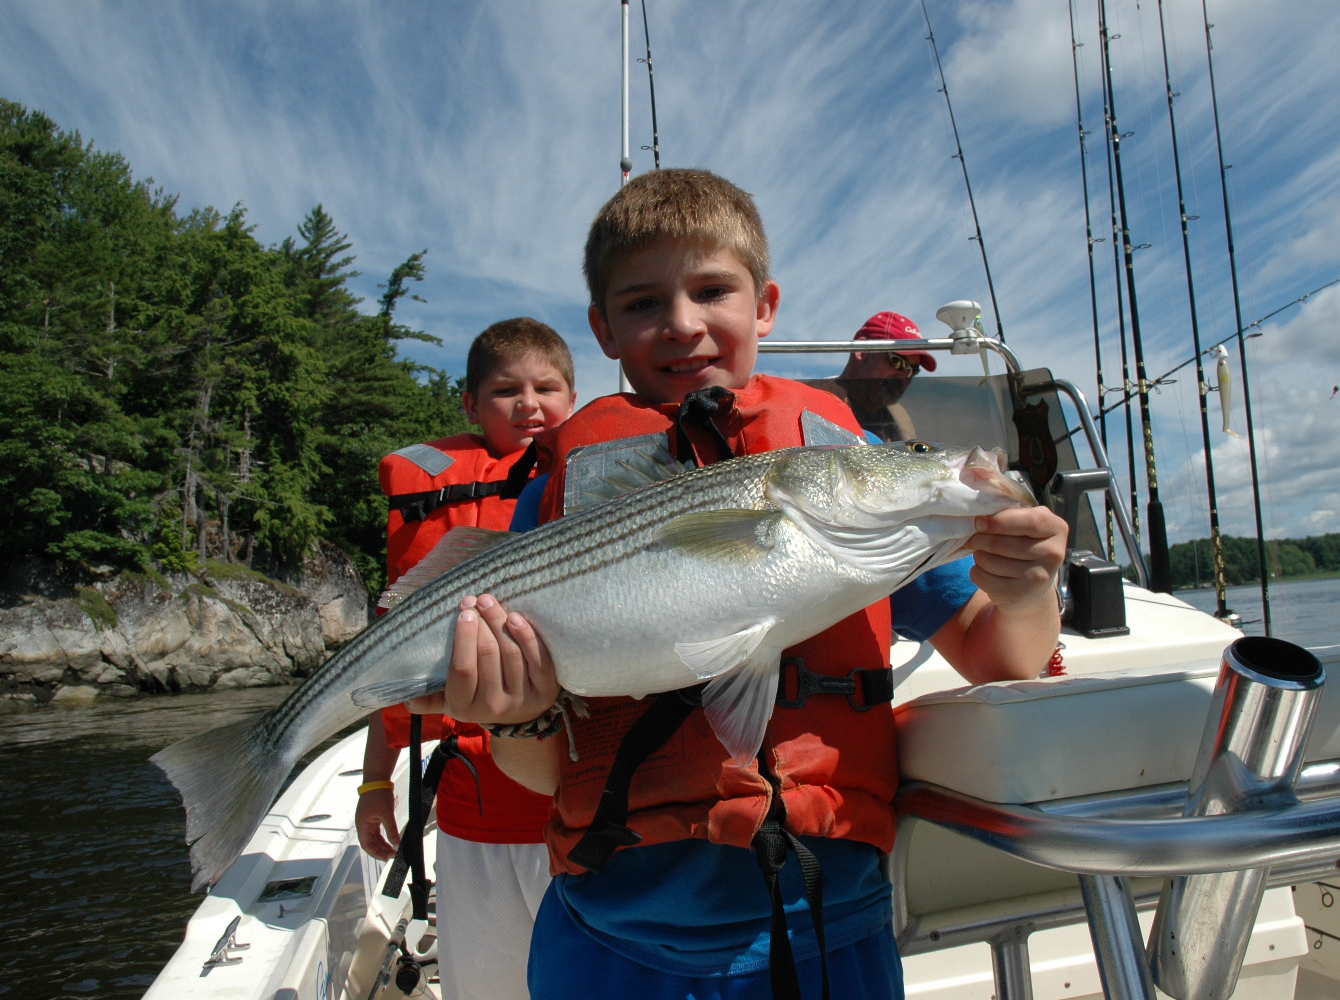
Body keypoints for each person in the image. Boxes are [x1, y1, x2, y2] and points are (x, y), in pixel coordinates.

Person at [424, 169, 1068, 1000]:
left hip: (832, 930)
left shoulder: (849, 497)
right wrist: (513, 719)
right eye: (643, 303)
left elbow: (1004, 662)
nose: (682, 323)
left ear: (764, 305)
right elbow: (546, 773)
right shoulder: (560, 495)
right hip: (609, 940)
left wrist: (1025, 589)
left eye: (712, 290)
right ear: (604, 329)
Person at [355, 316, 576, 1000]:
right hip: (469, 810)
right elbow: (390, 688)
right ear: (470, 406)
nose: (530, 404)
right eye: (507, 390)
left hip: (576, 813)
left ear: (575, 397)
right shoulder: (439, 498)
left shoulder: (599, 483)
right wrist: (373, 787)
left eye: (548, 387)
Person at [806, 311, 936, 442]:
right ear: (862, 351)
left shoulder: (896, 418)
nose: (905, 377)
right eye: (897, 362)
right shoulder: (811, 398)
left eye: (913, 370)